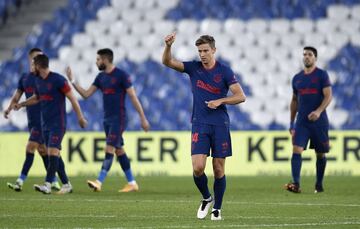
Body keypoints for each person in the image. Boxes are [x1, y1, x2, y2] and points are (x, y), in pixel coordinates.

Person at [162, 33, 246, 220]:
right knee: (198, 168)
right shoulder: (194, 68)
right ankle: (207, 198)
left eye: (206, 50)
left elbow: (241, 96)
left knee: (218, 169)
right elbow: (168, 62)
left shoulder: (224, 71)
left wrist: (221, 101)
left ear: (214, 50)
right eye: (200, 51)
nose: (202, 54)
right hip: (199, 124)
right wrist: (168, 46)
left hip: (220, 124)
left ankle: (217, 208)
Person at [66, 48, 150, 192]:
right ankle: (132, 182)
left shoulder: (121, 75)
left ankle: (99, 181)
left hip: (119, 119)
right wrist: (72, 81)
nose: (96, 61)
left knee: (109, 147)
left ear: (105, 60)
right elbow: (86, 94)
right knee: (118, 150)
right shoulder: (101, 77)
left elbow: (133, 97)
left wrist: (143, 118)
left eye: (98, 59)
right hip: (107, 119)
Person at [15, 54, 88, 194]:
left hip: (58, 123)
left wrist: (80, 117)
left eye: (33, 64)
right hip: (45, 124)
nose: (31, 67)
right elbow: (37, 97)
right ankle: (66, 184)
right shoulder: (38, 80)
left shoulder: (58, 80)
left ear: (38, 66)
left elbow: (73, 98)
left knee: (53, 151)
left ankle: (47, 184)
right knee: (54, 155)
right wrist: (22, 104)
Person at [4, 48, 60, 192]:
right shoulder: (24, 78)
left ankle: (20, 181)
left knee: (30, 147)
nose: (40, 60)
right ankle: (54, 181)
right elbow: (17, 95)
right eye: (37, 57)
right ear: (31, 59)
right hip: (32, 120)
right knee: (43, 151)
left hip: (44, 120)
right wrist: (9, 108)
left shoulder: (45, 78)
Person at [285, 46, 332, 193]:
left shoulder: (322, 75)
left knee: (320, 153)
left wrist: (318, 111)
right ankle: (296, 184)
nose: (306, 57)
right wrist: (292, 122)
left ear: (315, 58)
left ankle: (318, 184)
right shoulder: (297, 78)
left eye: (310, 54)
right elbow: (294, 101)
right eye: (304, 54)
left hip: (319, 122)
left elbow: (328, 96)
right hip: (302, 122)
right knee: (296, 149)